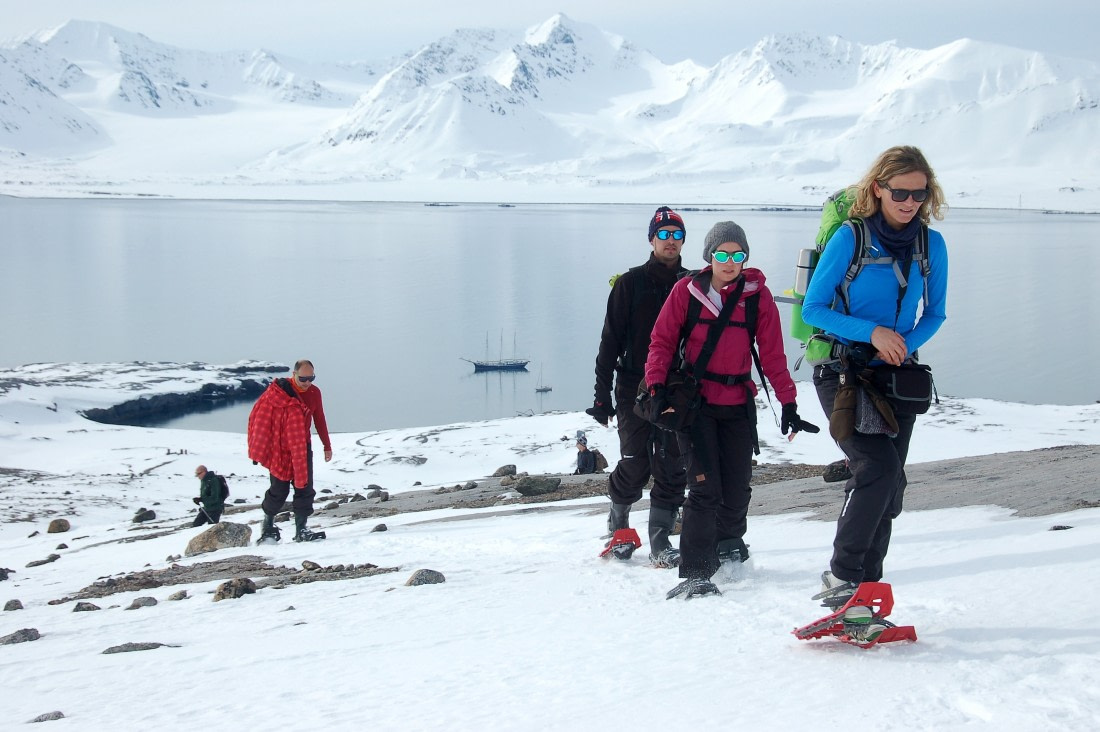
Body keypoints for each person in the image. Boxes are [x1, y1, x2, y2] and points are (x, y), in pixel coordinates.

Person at [801, 145, 948, 630]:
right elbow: (813, 309)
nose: (910, 202)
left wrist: (903, 344)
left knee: (890, 487)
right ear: (878, 189)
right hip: (842, 372)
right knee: (877, 467)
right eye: (900, 192)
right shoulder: (850, 238)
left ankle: (863, 598)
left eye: (919, 193)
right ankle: (841, 579)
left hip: (895, 375)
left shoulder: (932, 245)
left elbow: (936, 314)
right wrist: (873, 334)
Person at [645, 221, 817, 599]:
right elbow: (660, 342)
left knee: (737, 489)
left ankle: (728, 544)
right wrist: (657, 387)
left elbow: (773, 356)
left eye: (737, 255)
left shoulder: (758, 297)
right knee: (705, 489)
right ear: (709, 256)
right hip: (698, 407)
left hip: (738, 404)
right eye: (722, 254)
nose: (730, 261)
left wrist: (788, 402)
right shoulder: (686, 292)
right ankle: (696, 571)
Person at [587, 206, 689, 567]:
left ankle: (661, 540)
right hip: (633, 385)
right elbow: (609, 343)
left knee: (672, 464)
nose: (671, 241)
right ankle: (619, 528)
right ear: (652, 239)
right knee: (634, 461)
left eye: (677, 234)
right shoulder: (629, 284)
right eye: (664, 234)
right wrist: (601, 398)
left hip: (677, 387)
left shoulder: (693, 283)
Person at [247, 359, 333, 543]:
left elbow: (319, 418)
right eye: (303, 378)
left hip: (302, 446)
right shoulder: (278, 392)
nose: (308, 382)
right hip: (281, 447)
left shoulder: (314, 392)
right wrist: (259, 447)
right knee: (279, 490)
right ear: (294, 375)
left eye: (312, 378)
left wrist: (327, 445)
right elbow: (260, 419)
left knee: (305, 487)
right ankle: (268, 525)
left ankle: (301, 529)